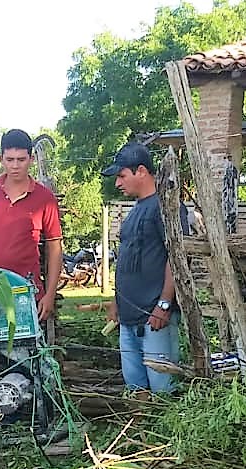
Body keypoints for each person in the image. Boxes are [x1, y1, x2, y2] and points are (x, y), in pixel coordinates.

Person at [102, 142, 185, 396]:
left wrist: (164, 305)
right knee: (135, 387)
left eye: (121, 175)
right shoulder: (136, 210)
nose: (118, 183)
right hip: (128, 318)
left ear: (141, 171)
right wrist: (117, 302)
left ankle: (166, 435)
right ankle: (138, 434)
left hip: (155, 318)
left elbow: (177, 258)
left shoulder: (167, 207)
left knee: (163, 390)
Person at [0, 129, 62, 323]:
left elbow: (55, 247)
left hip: (27, 291)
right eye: (9, 159)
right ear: (1, 159)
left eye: (21, 159)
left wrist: (50, 294)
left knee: (26, 351)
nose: (15, 166)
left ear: (31, 159)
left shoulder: (45, 198)